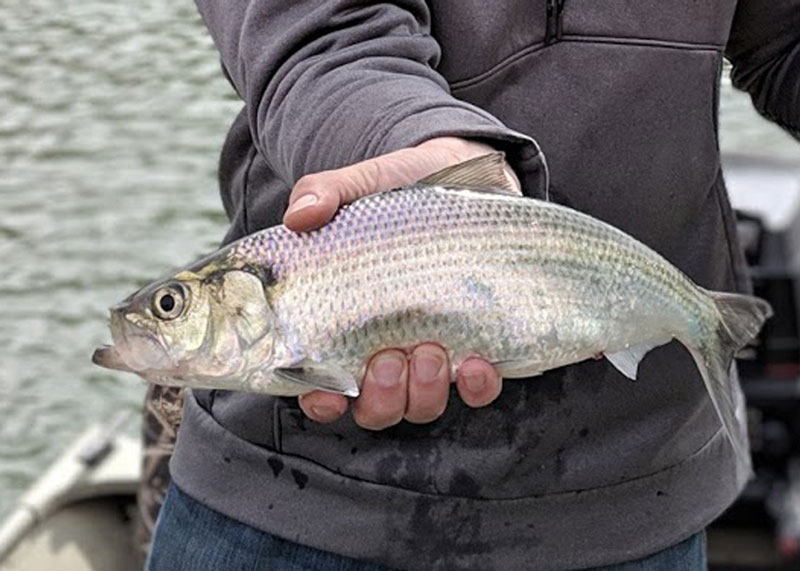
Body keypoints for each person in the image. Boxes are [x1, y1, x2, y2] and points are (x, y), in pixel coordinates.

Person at [145, 2, 800, 570]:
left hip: (641, 487)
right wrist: (430, 163)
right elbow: (319, 31)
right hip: (287, 503)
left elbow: (784, 42)